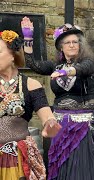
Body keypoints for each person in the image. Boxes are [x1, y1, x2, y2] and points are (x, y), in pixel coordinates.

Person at [22, 17, 94, 180]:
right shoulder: (54, 67)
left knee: (83, 167)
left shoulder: (89, 62)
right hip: (61, 124)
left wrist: (66, 72)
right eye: (67, 42)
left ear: (80, 45)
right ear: (60, 47)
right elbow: (32, 64)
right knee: (62, 165)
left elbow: (83, 68)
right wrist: (28, 38)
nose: (72, 45)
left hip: (84, 125)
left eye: (75, 42)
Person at [0, 28, 61, 179]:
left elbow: (46, 115)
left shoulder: (31, 85)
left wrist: (50, 123)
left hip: (17, 158)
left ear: (13, 55)